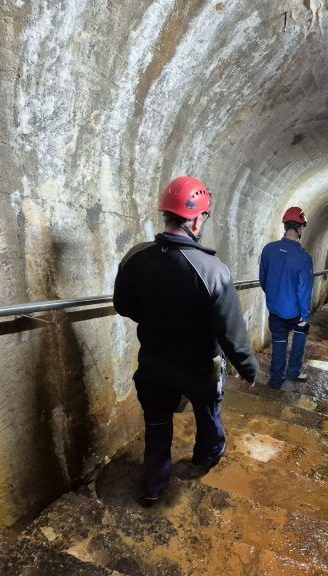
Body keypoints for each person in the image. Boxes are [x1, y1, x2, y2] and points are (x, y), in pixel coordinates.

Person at [113, 176, 258, 507]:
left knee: (157, 423)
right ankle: (205, 457)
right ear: (195, 218)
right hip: (197, 367)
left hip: (153, 361)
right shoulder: (212, 270)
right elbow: (231, 332)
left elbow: (123, 305)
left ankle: (153, 484)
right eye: (204, 216)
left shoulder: (136, 256)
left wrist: (156, 320)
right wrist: (249, 368)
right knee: (208, 412)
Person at [259, 207, 313, 389]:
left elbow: (263, 279)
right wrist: (305, 316)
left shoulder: (269, 250)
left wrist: (274, 298)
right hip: (295, 311)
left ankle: (275, 380)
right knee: (300, 335)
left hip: (275, 309)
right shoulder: (303, 258)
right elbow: (304, 290)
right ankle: (293, 372)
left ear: (284, 225)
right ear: (301, 228)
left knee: (279, 342)